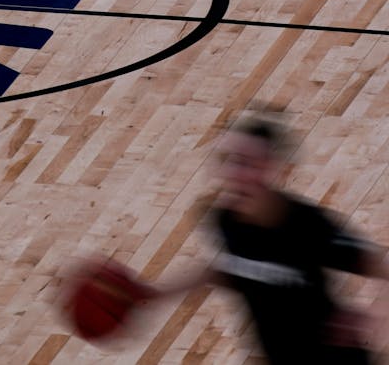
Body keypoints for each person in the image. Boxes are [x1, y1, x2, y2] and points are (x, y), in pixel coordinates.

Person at [145, 115, 386, 363]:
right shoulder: (224, 220)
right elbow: (226, 270)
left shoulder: (307, 225)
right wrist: (154, 293)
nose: (233, 172)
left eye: (246, 163)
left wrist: (372, 317)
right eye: (227, 161)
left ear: (274, 169)